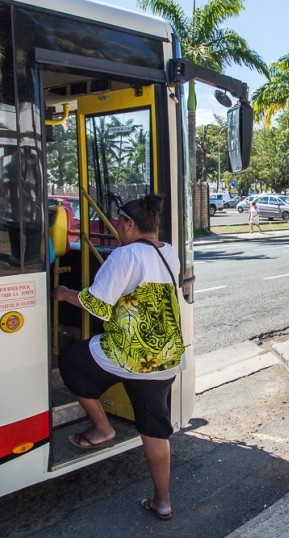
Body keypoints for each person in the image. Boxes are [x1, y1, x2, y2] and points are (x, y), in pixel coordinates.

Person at [53, 194, 184, 521]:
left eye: (117, 222)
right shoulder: (168, 252)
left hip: (129, 354)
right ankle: (163, 502)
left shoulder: (124, 256)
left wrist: (65, 294)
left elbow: (97, 305)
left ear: (129, 224)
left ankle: (102, 429)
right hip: (166, 357)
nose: (114, 229)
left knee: (71, 359)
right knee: (154, 431)